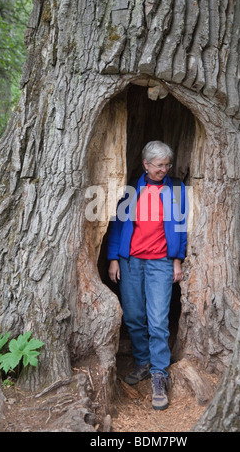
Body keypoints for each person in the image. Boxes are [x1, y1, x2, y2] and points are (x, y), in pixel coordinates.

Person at [107, 140, 187, 410]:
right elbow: (117, 226)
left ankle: (159, 374)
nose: (163, 169)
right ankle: (143, 361)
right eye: (158, 165)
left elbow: (181, 227)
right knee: (132, 316)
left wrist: (177, 261)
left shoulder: (176, 189)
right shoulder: (131, 189)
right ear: (145, 164)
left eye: (167, 165)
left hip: (161, 263)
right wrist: (113, 259)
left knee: (158, 320)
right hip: (130, 262)